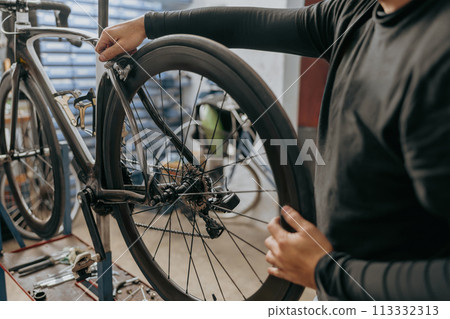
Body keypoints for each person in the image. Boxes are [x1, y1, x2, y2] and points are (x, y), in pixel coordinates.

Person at [96, 0, 450, 300]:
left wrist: (328, 272)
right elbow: (250, 25)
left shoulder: (438, 57)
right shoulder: (357, 11)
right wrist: (148, 23)